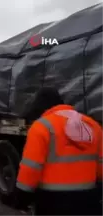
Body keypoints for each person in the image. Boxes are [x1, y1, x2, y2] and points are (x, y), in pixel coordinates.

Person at [14, 87, 103, 216]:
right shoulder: (93, 125)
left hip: (52, 202)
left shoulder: (41, 126)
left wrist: (22, 198)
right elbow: (101, 165)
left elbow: (31, 168)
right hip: (89, 199)